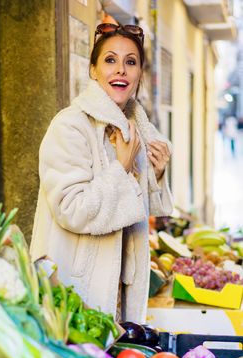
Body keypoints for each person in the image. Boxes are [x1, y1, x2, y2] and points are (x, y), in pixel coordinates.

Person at [30, 23, 173, 322]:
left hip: (119, 289)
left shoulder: (136, 130)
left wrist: (155, 175)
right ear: (93, 70)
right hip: (76, 287)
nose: (120, 69)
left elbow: (136, 207)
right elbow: (72, 209)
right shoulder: (69, 126)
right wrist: (120, 168)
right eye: (110, 60)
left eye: (130, 62)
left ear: (139, 75)